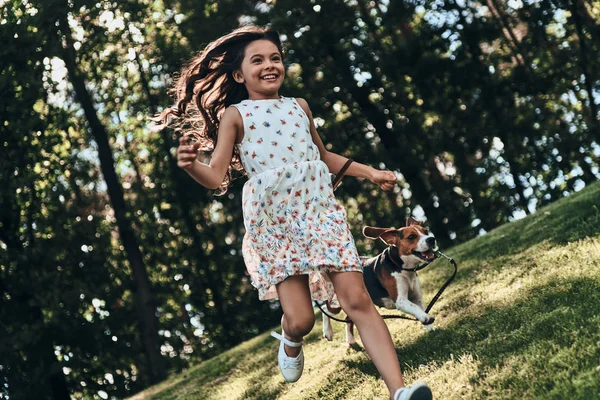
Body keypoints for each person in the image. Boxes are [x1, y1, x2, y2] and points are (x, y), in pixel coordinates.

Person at [158, 25, 433, 400]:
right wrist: (192, 166)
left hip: (321, 213)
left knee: (357, 302)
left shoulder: (298, 106)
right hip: (276, 225)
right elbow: (216, 174)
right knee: (302, 318)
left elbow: (322, 156)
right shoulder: (235, 116)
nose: (269, 65)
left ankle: (398, 392)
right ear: (240, 74)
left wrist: (369, 172)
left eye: (275, 58)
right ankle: (290, 337)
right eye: (258, 60)